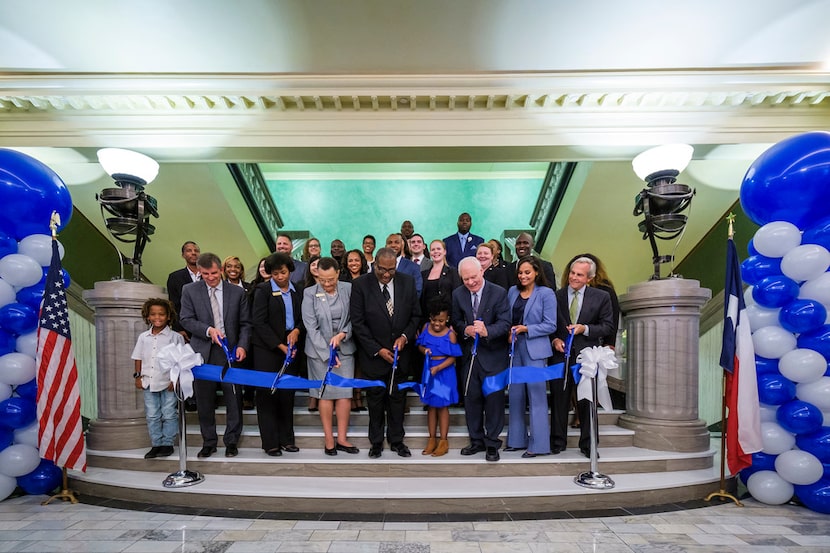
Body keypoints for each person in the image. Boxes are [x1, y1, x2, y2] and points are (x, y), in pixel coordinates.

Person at [350, 247, 421, 458]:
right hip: (374, 355)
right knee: (375, 400)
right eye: (382, 269)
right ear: (375, 265)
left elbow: (416, 316)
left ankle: (397, 440)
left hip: (401, 354)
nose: (387, 274)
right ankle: (376, 442)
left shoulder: (407, 282)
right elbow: (358, 323)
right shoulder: (361, 284)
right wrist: (377, 349)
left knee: (398, 400)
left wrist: (405, 337)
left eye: (391, 270)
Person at [179, 252, 251, 459]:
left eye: (213, 273)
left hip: (230, 351)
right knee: (204, 399)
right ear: (199, 273)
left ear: (221, 270)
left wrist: (243, 345)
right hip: (202, 352)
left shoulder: (236, 292)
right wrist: (208, 330)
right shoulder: (189, 290)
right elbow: (185, 319)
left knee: (234, 397)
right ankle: (208, 441)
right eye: (205, 274)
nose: (210, 277)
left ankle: (232, 441)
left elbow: (246, 323)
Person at [550, 256, 615, 458]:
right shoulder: (556, 296)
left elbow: (607, 326)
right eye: (572, 273)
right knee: (559, 399)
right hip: (560, 356)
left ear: (590, 278)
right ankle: (557, 442)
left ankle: (588, 444)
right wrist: (554, 340)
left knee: (587, 401)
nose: (574, 277)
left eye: (579, 275)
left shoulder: (601, 297)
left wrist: (584, 329)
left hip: (587, 357)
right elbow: (550, 323)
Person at [452, 257, 510, 462]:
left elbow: (505, 323)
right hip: (470, 358)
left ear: (482, 272)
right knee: (471, 399)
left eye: (473, 277)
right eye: (465, 279)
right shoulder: (458, 294)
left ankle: (492, 443)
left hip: (493, 356)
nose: (470, 282)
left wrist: (487, 331)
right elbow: (456, 321)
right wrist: (465, 330)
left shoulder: (499, 292)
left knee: (494, 401)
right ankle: (476, 441)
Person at [303, 257, 360, 456]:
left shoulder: (348, 289)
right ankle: (329, 440)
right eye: (322, 280)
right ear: (317, 274)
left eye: (331, 279)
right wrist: (328, 354)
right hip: (319, 352)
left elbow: (355, 317)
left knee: (344, 394)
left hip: (344, 348)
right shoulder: (309, 293)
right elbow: (311, 327)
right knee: (325, 394)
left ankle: (342, 438)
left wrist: (344, 333)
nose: (327, 284)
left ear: (338, 274)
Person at [251, 253, 303, 456]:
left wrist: (297, 331)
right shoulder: (262, 290)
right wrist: (281, 346)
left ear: (290, 270)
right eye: (275, 273)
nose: (280, 277)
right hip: (267, 349)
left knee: (287, 395)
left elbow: (302, 318)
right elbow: (259, 322)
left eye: (283, 272)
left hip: (292, 345)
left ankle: (287, 440)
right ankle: (270, 443)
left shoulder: (298, 290)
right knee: (267, 396)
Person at [505, 257, 556, 457]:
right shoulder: (512, 292)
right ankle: (516, 440)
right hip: (515, 349)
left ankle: (540, 445)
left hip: (536, 349)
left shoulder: (546, 293)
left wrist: (527, 328)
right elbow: (507, 317)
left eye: (527, 272)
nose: (523, 276)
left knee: (537, 397)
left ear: (536, 272)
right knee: (516, 395)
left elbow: (551, 324)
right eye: (520, 272)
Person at [131, 298, 184, 459]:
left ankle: (167, 443)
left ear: (168, 316)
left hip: (167, 381)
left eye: (161, 314)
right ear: (147, 316)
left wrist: (175, 380)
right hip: (148, 381)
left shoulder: (175, 337)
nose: (157, 317)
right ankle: (156, 443)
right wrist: (138, 376)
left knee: (168, 413)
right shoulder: (143, 337)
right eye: (153, 314)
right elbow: (138, 357)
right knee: (152, 414)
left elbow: (181, 360)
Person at [416, 298, 461, 457]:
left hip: (444, 372)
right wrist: (424, 351)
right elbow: (420, 345)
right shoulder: (425, 328)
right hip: (429, 371)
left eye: (441, 320)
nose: (437, 324)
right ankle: (431, 439)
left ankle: (443, 441)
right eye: (434, 320)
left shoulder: (450, 334)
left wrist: (438, 368)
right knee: (431, 405)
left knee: (442, 406)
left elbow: (453, 357)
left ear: (447, 319)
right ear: (430, 318)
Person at [166, 240, 200, 338]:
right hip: (185, 329)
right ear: (183, 255)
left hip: (208, 329)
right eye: (189, 250)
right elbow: (174, 305)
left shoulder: (208, 276)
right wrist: (178, 329)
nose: (193, 253)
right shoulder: (175, 277)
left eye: (196, 250)